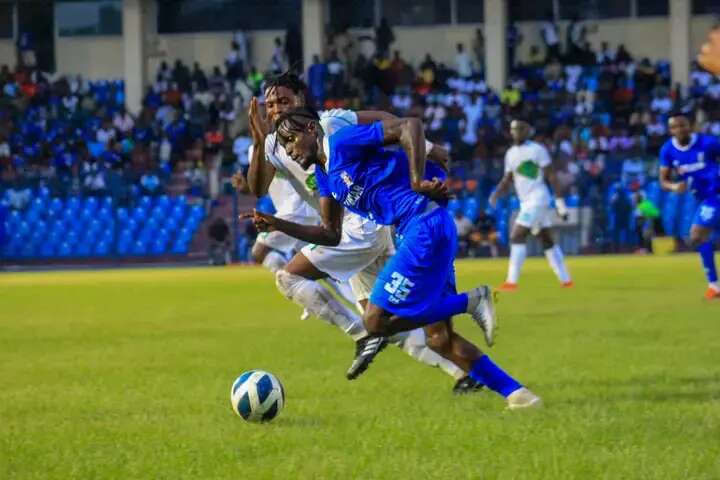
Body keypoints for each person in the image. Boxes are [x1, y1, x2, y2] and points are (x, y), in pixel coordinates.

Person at [249, 106, 541, 410]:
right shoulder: (325, 175)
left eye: (291, 140)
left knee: (374, 321)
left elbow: (409, 125)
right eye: (284, 146)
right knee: (439, 339)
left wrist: (417, 180)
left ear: (310, 129)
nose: (290, 151)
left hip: (422, 227)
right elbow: (330, 234)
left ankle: (473, 300)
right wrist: (277, 223)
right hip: (420, 230)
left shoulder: (341, 142)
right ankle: (519, 395)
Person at [241, 73, 485, 393]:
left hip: (360, 226)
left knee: (289, 277)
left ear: (301, 100)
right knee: (390, 322)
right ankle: (463, 375)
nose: (274, 110)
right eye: (269, 104)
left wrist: (425, 149)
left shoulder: (331, 123)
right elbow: (257, 187)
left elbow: (387, 121)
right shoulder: (271, 145)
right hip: (350, 228)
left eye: (283, 101)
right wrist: (259, 142)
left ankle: (362, 336)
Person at [489, 119, 573, 291]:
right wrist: (496, 193)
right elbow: (508, 178)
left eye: (520, 129)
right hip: (526, 201)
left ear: (527, 131)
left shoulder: (537, 150)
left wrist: (560, 203)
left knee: (517, 236)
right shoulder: (511, 154)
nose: (516, 132)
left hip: (538, 198)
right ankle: (566, 280)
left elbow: (551, 176)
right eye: (514, 129)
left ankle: (511, 282)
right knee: (547, 239)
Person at [659, 112, 720, 300]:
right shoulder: (668, 150)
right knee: (697, 238)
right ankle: (714, 286)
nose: (680, 130)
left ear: (690, 126)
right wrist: (674, 186)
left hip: (716, 194)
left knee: (696, 235)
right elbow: (663, 181)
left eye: (683, 125)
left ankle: (714, 285)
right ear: (670, 130)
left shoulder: (708, 142)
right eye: (675, 127)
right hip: (703, 199)